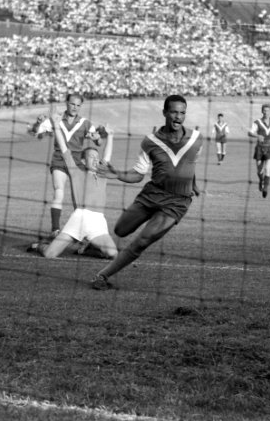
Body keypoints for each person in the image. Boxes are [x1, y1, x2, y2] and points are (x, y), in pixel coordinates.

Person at [90, 94, 202, 290]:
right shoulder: (150, 141)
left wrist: (193, 183)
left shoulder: (195, 139)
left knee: (142, 241)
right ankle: (90, 245)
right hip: (151, 194)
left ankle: (103, 275)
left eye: (182, 113)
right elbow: (138, 174)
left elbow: (191, 163)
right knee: (120, 230)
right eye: (174, 112)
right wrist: (116, 174)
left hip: (177, 202)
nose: (178, 117)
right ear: (165, 113)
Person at [27, 119, 118, 260]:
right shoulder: (76, 172)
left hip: (98, 221)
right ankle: (40, 246)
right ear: (83, 161)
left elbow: (107, 156)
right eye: (91, 157)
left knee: (112, 253)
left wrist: (110, 136)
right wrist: (57, 127)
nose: (96, 160)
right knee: (50, 254)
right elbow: (64, 148)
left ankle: (86, 249)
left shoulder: (102, 173)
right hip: (79, 218)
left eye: (97, 158)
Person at [36, 93, 99, 238]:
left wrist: (97, 138)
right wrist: (38, 123)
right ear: (66, 103)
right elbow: (38, 135)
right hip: (59, 159)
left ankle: (81, 233)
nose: (75, 107)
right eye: (72, 104)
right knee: (59, 191)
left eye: (78, 105)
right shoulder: (56, 119)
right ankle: (55, 230)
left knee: (78, 198)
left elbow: (98, 141)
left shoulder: (86, 123)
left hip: (77, 162)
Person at [248, 103, 270, 198]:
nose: (266, 112)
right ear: (262, 111)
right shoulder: (257, 122)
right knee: (259, 171)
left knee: (268, 169)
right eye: (264, 110)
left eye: (268, 110)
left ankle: (265, 188)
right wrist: (257, 135)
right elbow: (250, 132)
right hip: (259, 148)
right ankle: (261, 181)